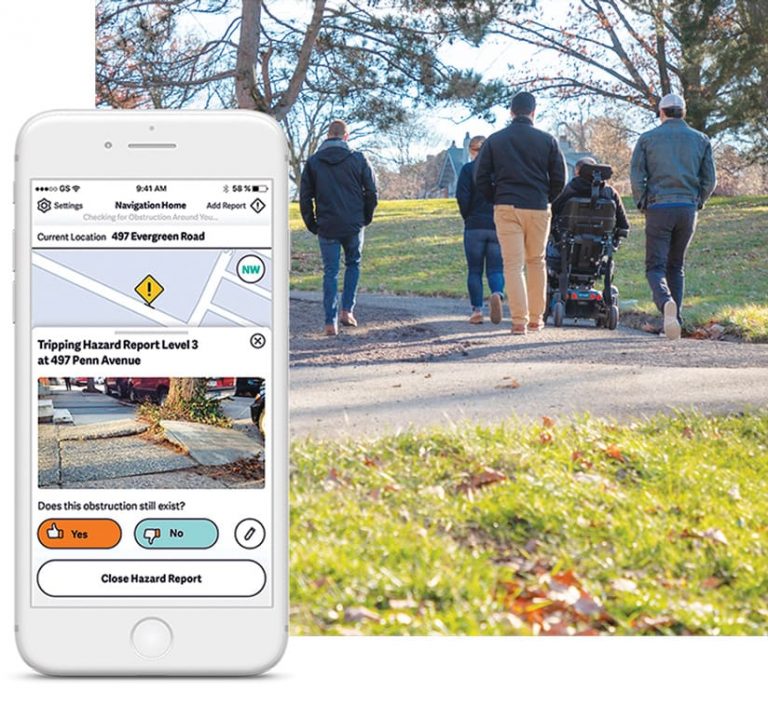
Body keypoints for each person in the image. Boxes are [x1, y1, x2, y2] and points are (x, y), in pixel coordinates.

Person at [475, 91, 566, 335]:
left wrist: (495, 197)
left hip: (507, 205)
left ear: (511, 112)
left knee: (513, 265)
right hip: (537, 206)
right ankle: (537, 318)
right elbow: (560, 178)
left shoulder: (495, 140)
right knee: (537, 261)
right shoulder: (548, 141)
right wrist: (546, 198)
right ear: (534, 112)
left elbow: (480, 176)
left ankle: (519, 321)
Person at [630, 93, 717, 340]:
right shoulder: (701, 139)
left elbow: (637, 176)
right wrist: (698, 200)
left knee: (655, 266)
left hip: (659, 207)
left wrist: (643, 202)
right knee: (676, 265)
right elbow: (710, 179)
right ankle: (674, 321)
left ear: (662, 112)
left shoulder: (647, 139)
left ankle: (666, 302)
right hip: (687, 209)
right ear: (684, 112)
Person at [300, 119, 378, 336]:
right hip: (353, 224)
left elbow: (305, 197)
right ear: (346, 136)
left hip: (327, 225)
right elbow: (372, 192)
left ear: (327, 135)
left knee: (330, 272)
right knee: (353, 264)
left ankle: (329, 322)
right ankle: (347, 311)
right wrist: (366, 217)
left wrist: (312, 224)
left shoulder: (314, 162)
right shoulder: (358, 158)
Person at [455, 135, 504, 324]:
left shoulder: (468, 170)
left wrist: (468, 216)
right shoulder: (499, 172)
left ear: (470, 150)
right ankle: (497, 294)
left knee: (474, 270)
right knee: (496, 268)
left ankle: (477, 311)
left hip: (474, 226)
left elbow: (462, 197)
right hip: (496, 225)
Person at [551, 157, 630, 231]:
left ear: (577, 172)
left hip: (567, 241)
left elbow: (551, 215)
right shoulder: (610, 192)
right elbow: (623, 225)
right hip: (602, 241)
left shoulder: (565, 191)